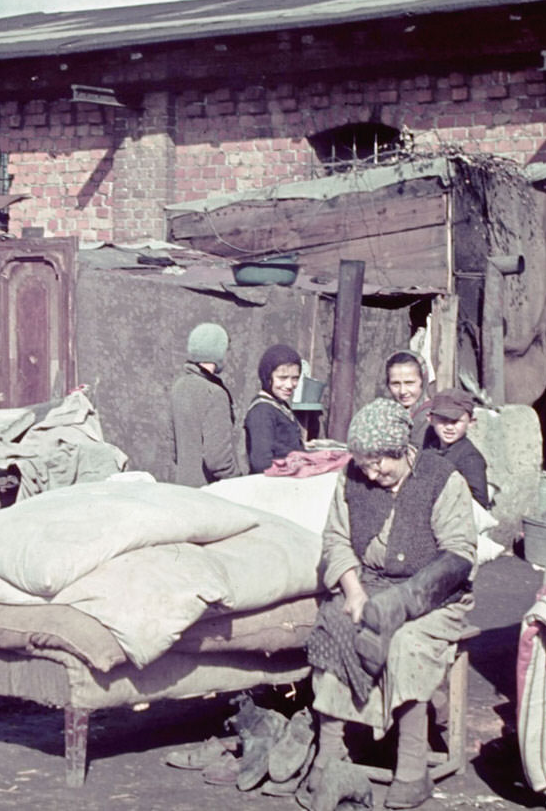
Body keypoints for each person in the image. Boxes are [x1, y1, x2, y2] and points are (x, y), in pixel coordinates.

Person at [303, 398, 476, 810]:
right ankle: (330, 755)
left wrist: (404, 600)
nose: (371, 473)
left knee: (406, 643)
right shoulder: (353, 479)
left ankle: (412, 770)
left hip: (436, 595)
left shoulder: (441, 479)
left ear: (402, 450)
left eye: (380, 463)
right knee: (334, 623)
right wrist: (355, 591)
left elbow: (458, 555)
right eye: (364, 464)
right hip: (371, 585)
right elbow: (336, 539)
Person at [171, 322, 239, 486]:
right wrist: (238, 479)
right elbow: (218, 460)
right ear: (219, 352)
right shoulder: (215, 394)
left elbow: (173, 450)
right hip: (210, 495)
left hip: (182, 490)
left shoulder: (178, 387)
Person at [422, 387, 490, 508]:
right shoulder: (429, 449)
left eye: (455, 421)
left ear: (471, 422)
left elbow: (479, 502)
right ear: (430, 419)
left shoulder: (470, 458)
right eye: (443, 420)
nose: (449, 427)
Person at [244, 343, 306, 473]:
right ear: (267, 377)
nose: (289, 385)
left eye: (295, 378)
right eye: (282, 378)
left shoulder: (280, 405)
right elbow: (261, 463)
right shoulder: (262, 411)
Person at [385, 351, 432, 448]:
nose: (402, 391)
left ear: (423, 381)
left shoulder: (428, 417)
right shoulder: (388, 413)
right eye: (395, 384)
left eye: (409, 383)